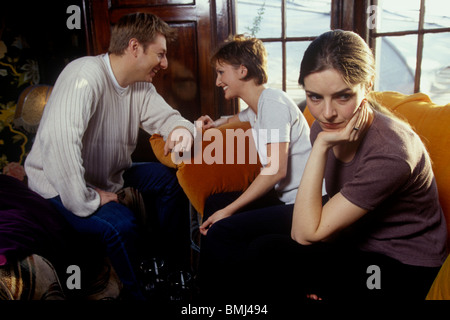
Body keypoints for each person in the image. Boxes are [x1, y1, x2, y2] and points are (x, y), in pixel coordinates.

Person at [25, 12, 194, 300]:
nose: (164, 64)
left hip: (107, 171)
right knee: (122, 225)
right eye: (160, 54)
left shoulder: (139, 86)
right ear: (134, 47)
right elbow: (59, 143)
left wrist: (181, 131)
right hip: (58, 183)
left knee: (169, 180)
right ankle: (143, 294)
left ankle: (168, 266)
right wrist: (86, 197)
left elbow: (171, 119)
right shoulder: (85, 75)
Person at [285, 29, 447, 301]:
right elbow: (315, 229)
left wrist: (322, 146)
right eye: (315, 97)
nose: (327, 113)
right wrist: (322, 144)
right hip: (358, 241)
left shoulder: (391, 150)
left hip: (405, 265)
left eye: (343, 96)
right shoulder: (326, 129)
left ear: (368, 85)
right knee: (263, 251)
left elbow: (305, 233)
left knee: (284, 265)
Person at [195, 35, 317, 300]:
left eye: (221, 72)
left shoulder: (272, 102)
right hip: (287, 199)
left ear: (242, 70)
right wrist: (215, 123)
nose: (218, 81)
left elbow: (275, 171)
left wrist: (230, 211)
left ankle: (211, 300)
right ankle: (222, 288)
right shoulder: (259, 105)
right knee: (215, 202)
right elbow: (239, 117)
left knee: (222, 227)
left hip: (309, 205)